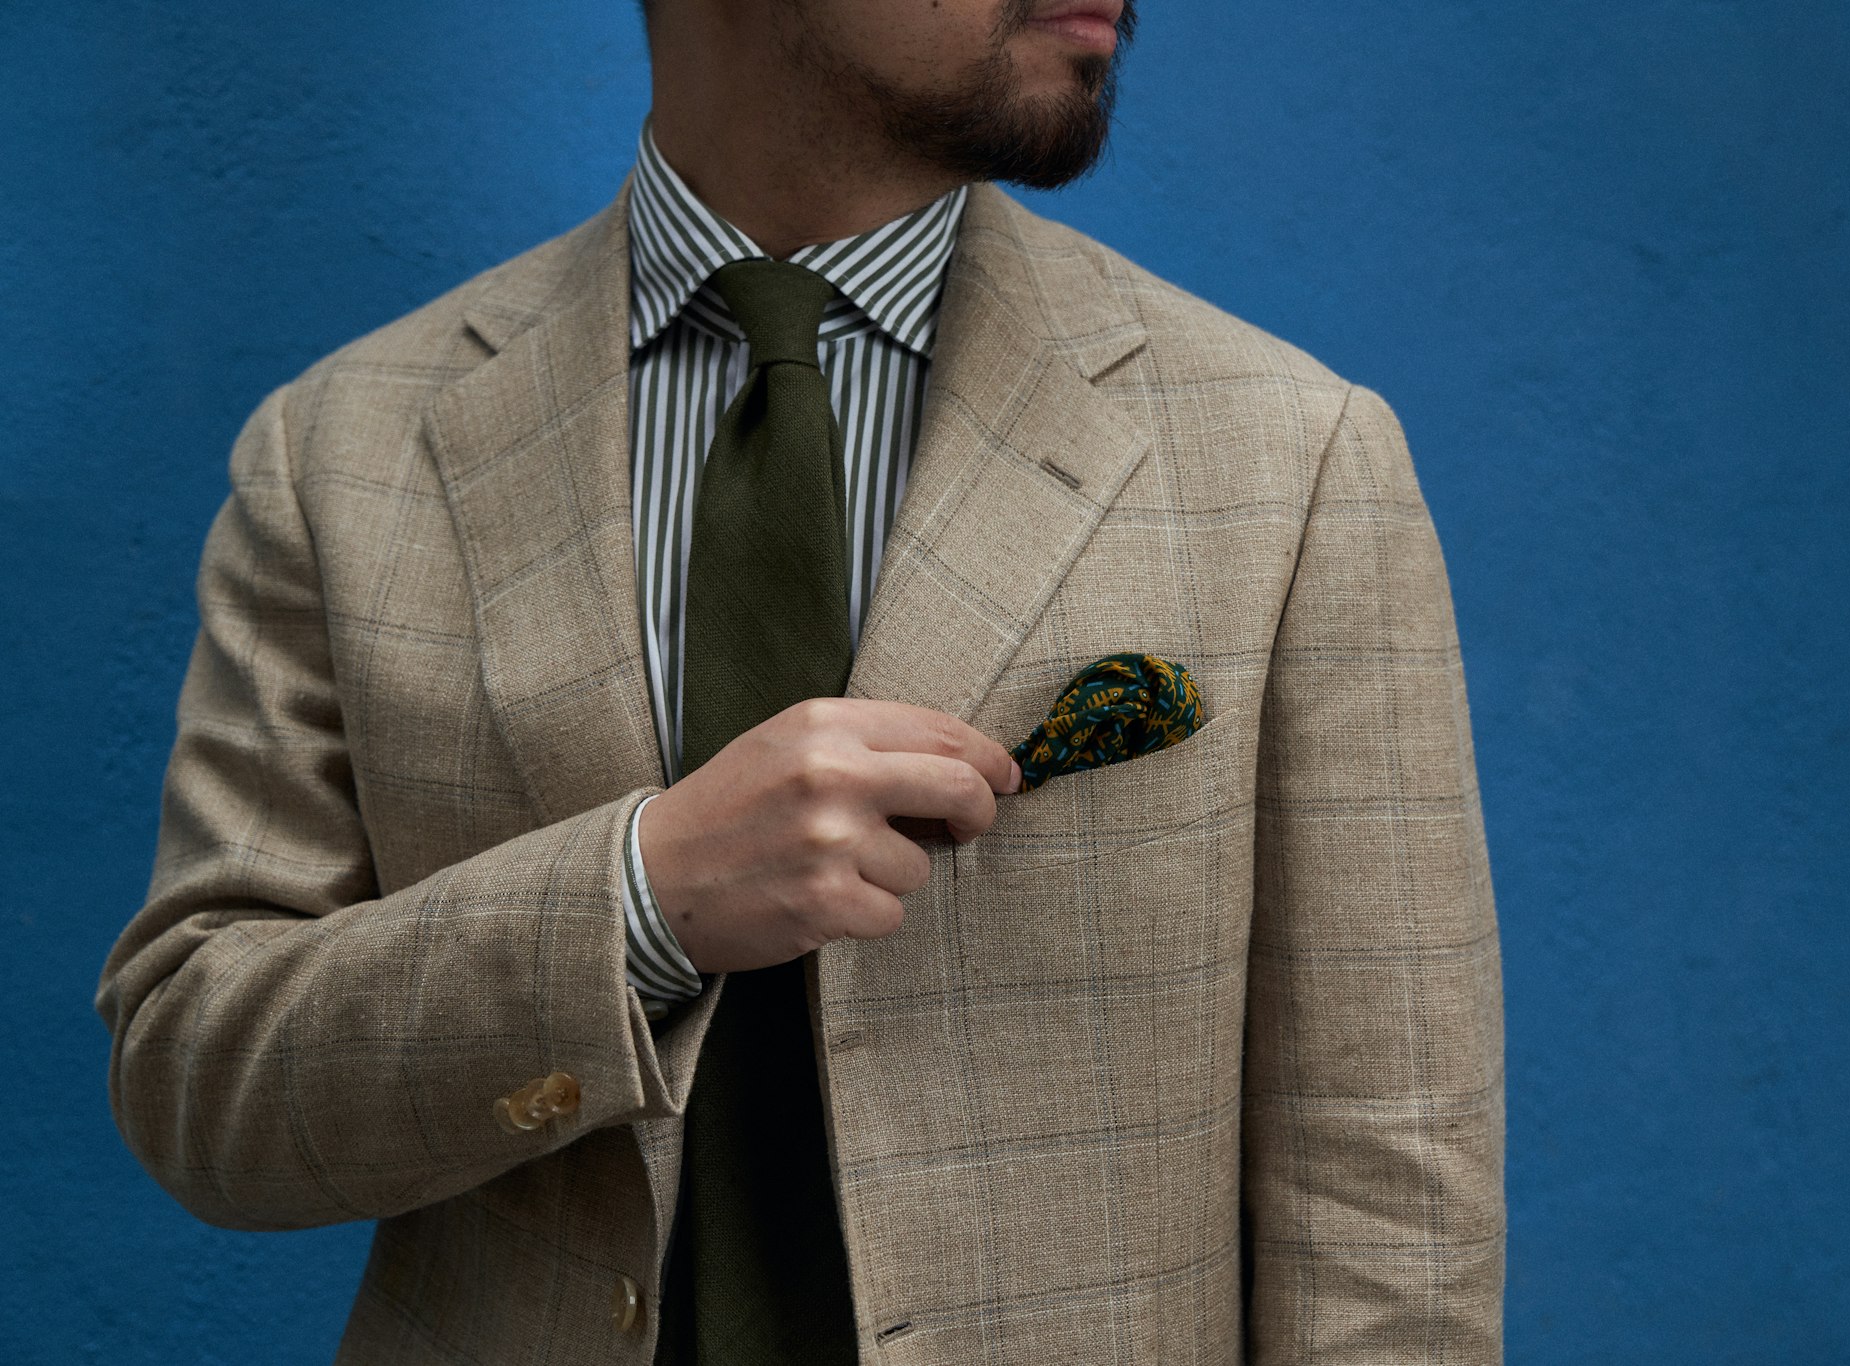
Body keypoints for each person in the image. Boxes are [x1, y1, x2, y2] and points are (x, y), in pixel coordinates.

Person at [95, 0, 1506, 1361]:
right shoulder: (340, 455)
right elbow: (197, 1081)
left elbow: (1392, 1205)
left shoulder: (1293, 459)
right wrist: (636, 903)